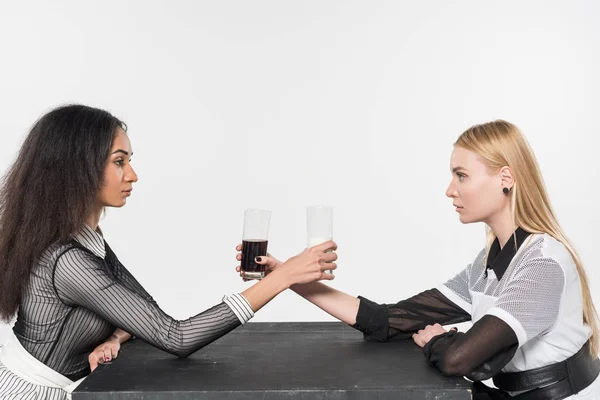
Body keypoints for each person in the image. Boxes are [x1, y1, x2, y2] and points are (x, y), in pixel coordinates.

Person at [237, 120, 600, 399]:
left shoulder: (541, 264)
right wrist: (285, 276)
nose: (449, 189)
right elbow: (388, 321)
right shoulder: (490, 260)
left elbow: (459, 360)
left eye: (461, 175)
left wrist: (438, 341)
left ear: (505, 179)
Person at [0, 104, 338, 399]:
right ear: (77, 168)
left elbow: (144, 313)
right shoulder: (67, 260)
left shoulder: (87, 239)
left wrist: (116, 336)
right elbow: (174, 336)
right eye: (119, 162)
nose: (132, 175)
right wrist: (283, 277)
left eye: (130, 161)